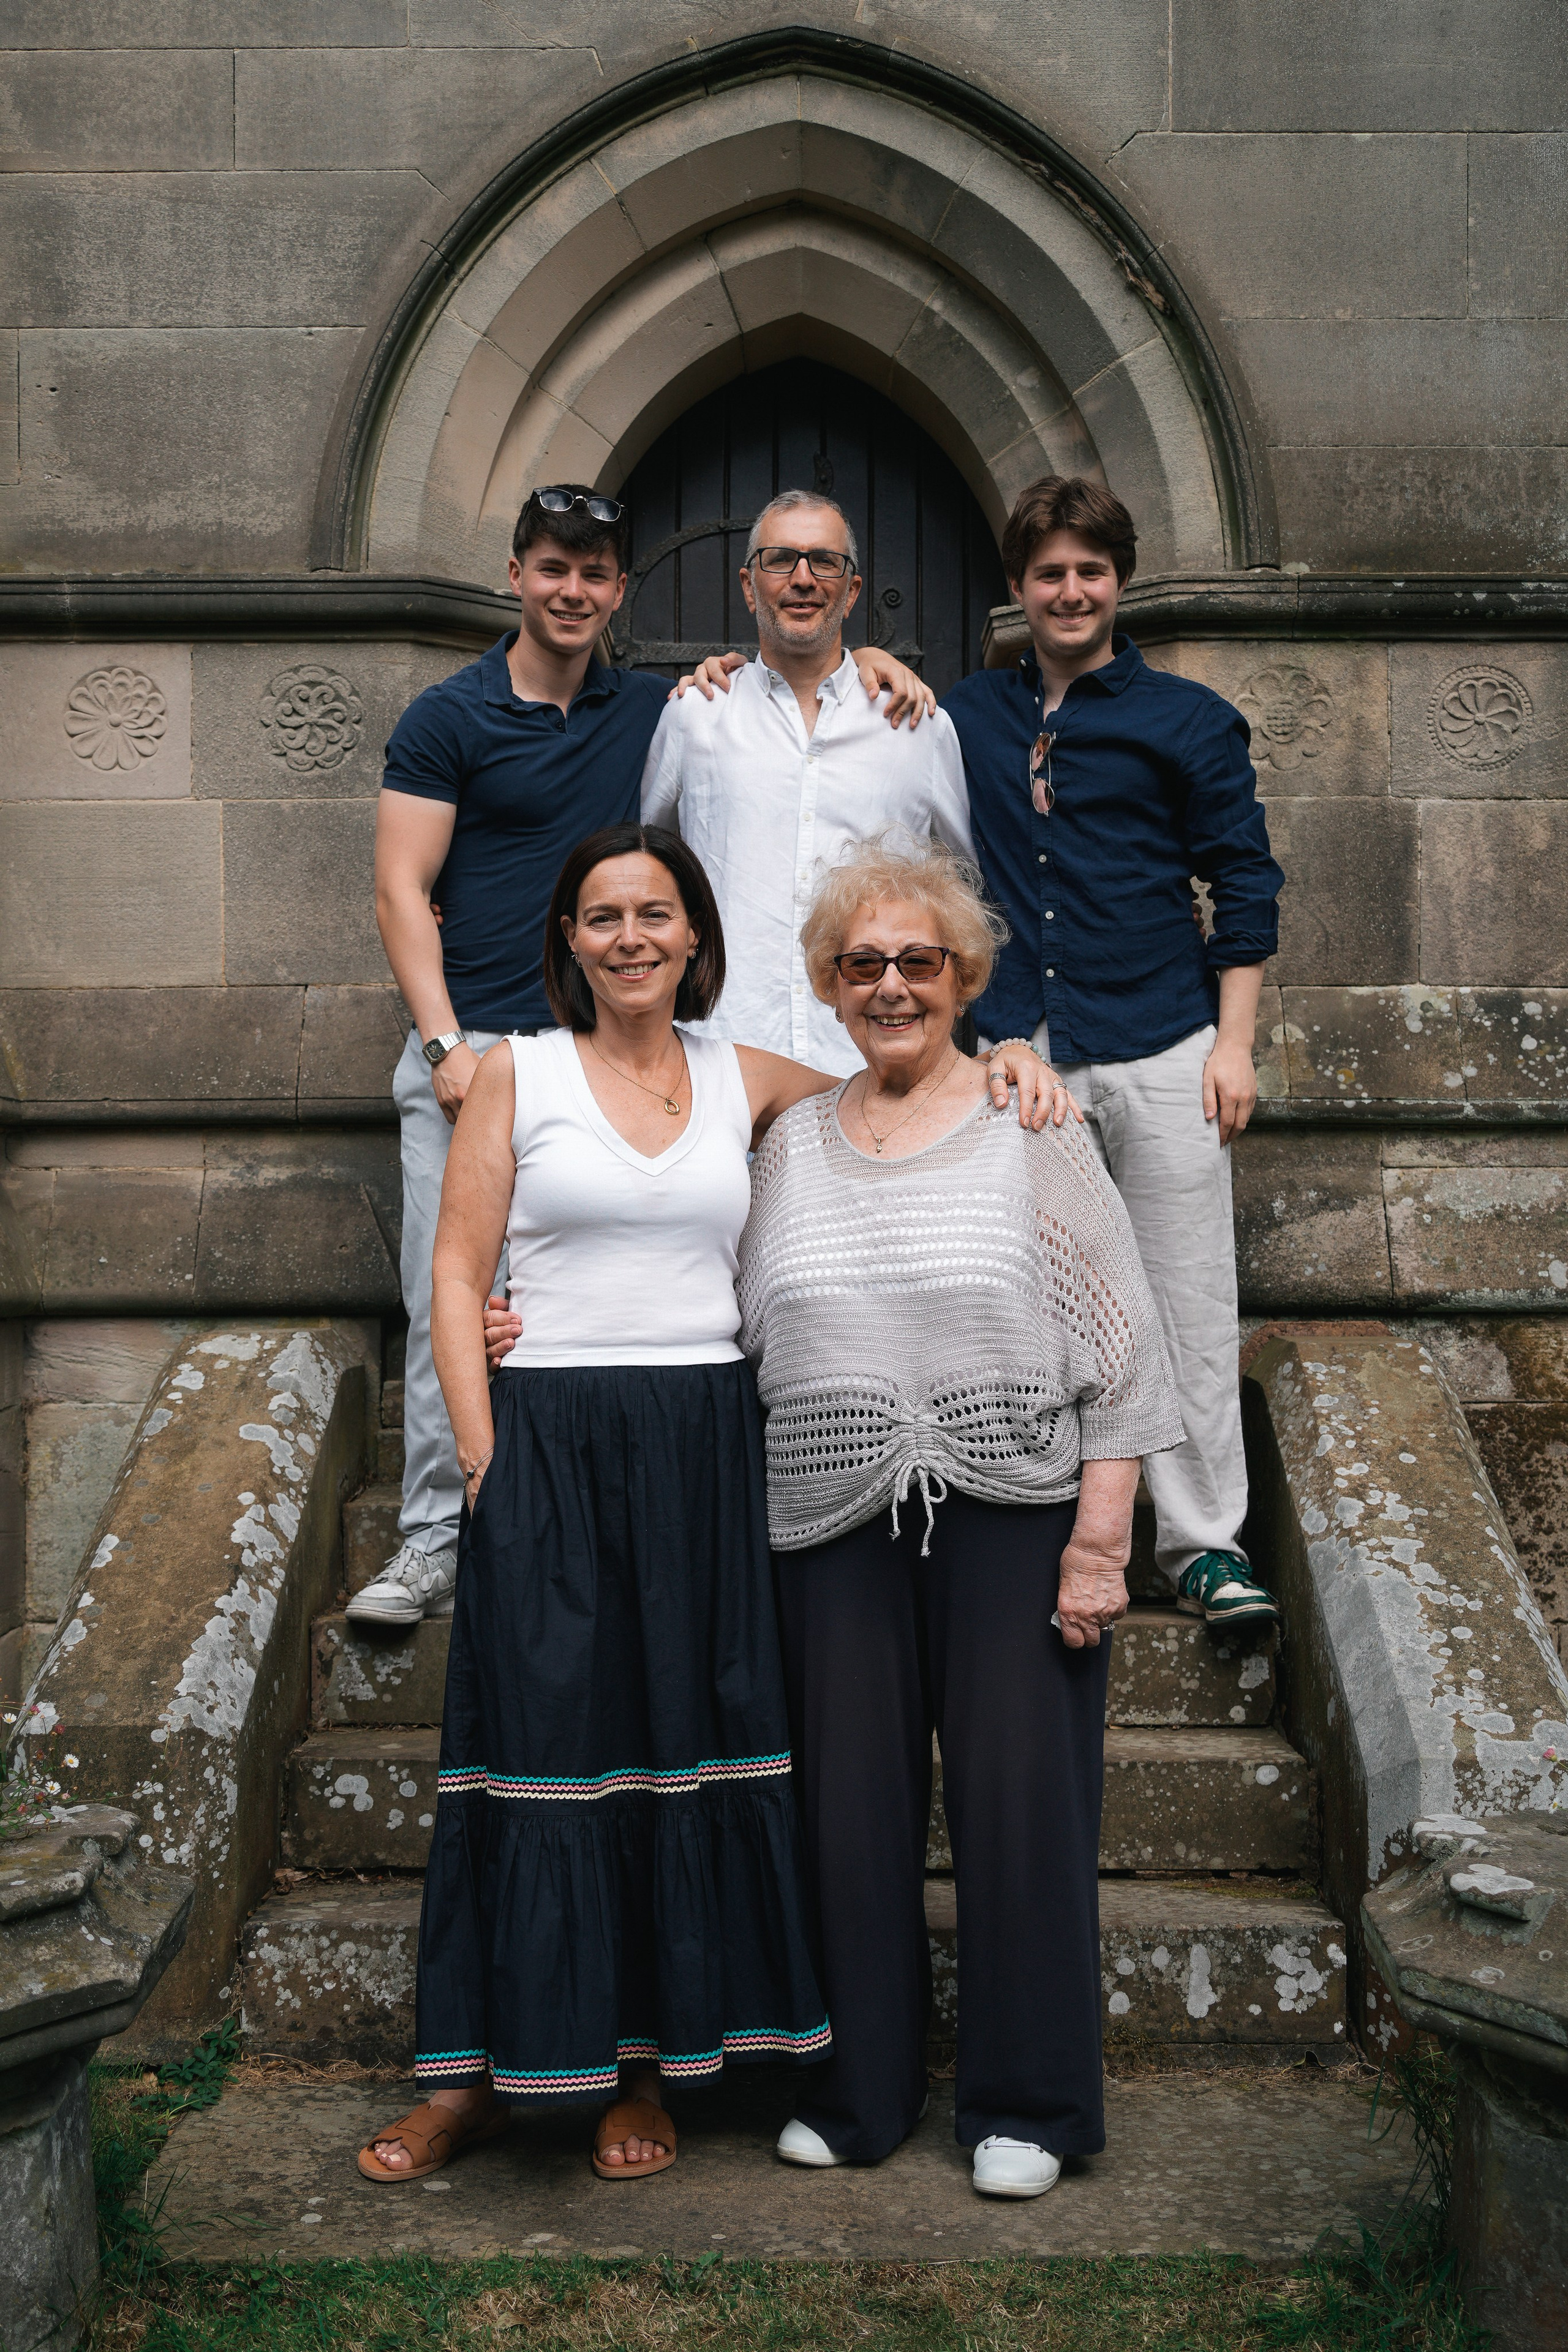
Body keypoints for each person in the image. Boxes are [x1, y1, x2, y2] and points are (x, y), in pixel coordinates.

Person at [361, 824, 1072, 2187]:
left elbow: (905, 1088)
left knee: (670, 1751)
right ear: (569, 940)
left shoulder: (745, 1077)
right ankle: (467, 2077)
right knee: (522, 1753)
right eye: (603, 916)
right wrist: (485, 1454)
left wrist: (1011, 1061)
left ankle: (641, 2071)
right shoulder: (516, 1073)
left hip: (705, 1444)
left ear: (695, 938)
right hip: (550, 1439)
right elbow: (455, 1278)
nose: (630, 937)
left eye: (656, 914)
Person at [360, 484, 935, 1630]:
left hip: (613, 1053)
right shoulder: (450, 714)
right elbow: (398, 887)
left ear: (621, 593)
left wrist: (875, 661)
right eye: (551, 569)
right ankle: (437, 1538)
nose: (571, 592)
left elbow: (755, 716)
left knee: (632, 1297)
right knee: (457, 1303)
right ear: (517, 575)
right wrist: (442, 1046)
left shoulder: (656, 708)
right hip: (477, 1049)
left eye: (594, 575)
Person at [735, 835, 1186, 2196]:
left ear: (962, 977)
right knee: (844, 1819)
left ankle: (1027, 2106)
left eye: (915, 962)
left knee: (1021, 1814)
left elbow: (1124, 1345)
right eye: (861, 963)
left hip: (1012, 1516)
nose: (889, 985)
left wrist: (1099, 1545)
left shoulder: (1028, 1124)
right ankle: (855, 2091)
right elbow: (729, 1322)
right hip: (826, 1525)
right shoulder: (785, 1144)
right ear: (823, 983)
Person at [942, 477, 1284, 1628]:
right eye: (1050, 573)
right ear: (1018, 589)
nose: (1071, 590)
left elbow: (1243, 887)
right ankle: (1047, 1526)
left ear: (1119, 582)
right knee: (1033, 1308)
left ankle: (1202, 1547)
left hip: (1165, 1045)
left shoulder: (1188, 720)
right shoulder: (966, 718)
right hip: (1025, 1057)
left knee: (1184, 1299)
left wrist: (1233, 1049)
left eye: (1092, 570)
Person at [642, 489, 970, 1076]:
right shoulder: (694, 717)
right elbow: (645, 872)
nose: (802, 578)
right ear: (749, 586)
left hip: (876, 1062)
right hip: (722, 1058)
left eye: (824, 561)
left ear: (853, 591)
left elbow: (964, 896)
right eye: (779, 560)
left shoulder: (919, 728)